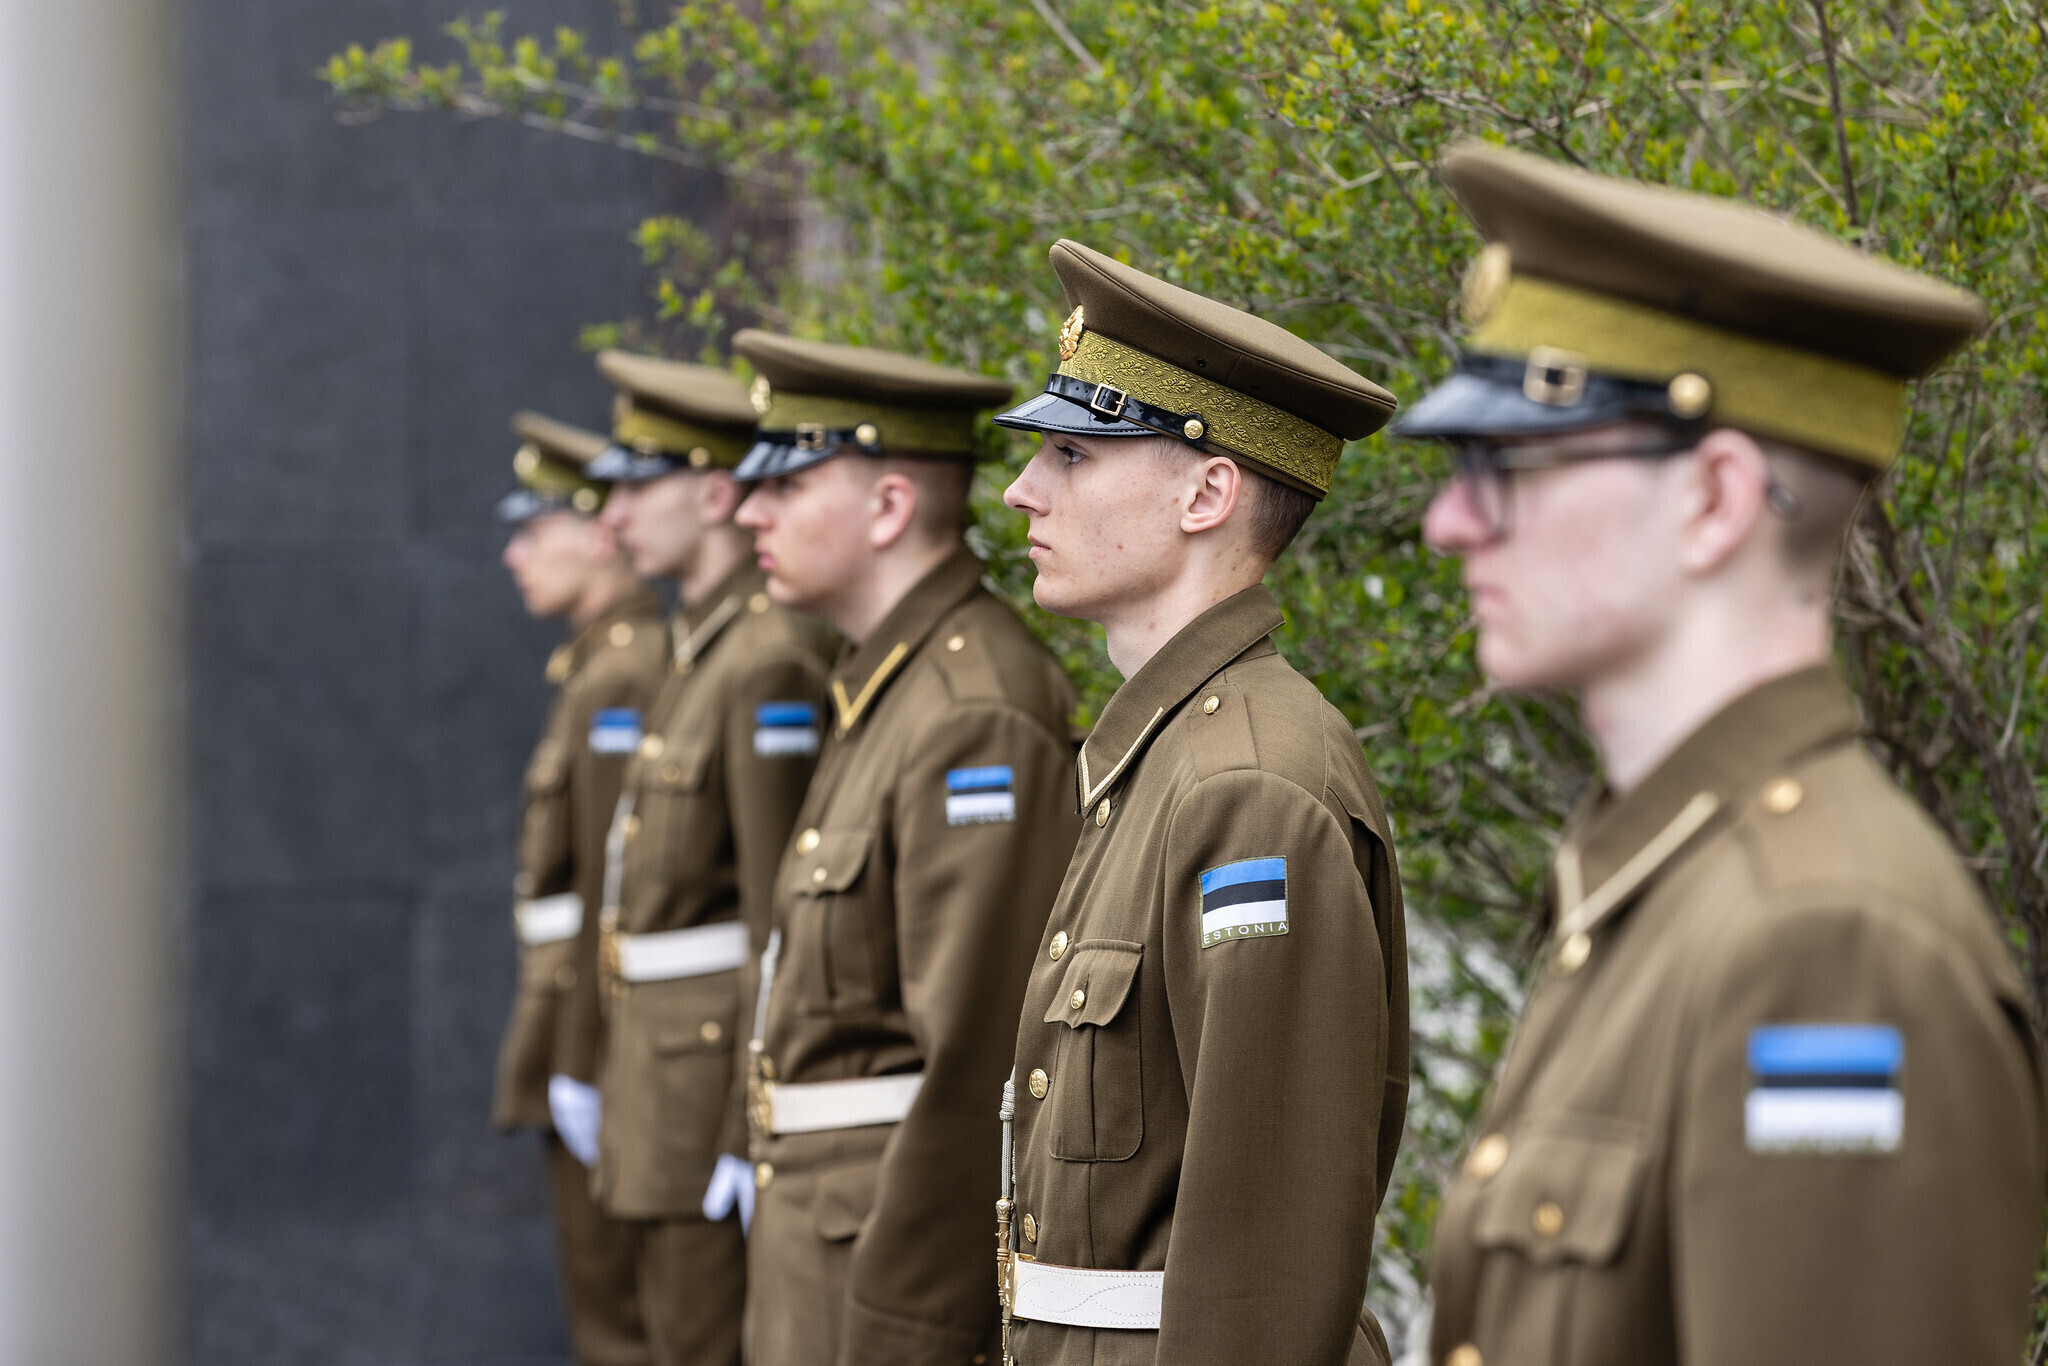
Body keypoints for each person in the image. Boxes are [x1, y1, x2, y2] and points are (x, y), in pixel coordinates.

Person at [1399, 142, 2047, 1366]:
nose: (1447, 522)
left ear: (1712, 501)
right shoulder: (1666, 879)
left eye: (1503, 465)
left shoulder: (1825, 944)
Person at [991, 239, 1411, 1366]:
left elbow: (1269, 1265)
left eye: (1071, 455)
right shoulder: (1168, 756)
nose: (1022, 489)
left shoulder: (1248, 789)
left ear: (1206, 492)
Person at [729, 329, 1081, 1366]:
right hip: (824, 1243)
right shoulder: (886, 684)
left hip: (882, 1276)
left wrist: (915, 1327)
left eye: (786, 484)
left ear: (887, 507)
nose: (749, 511)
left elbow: (975, 1064)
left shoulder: (969, 710)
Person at [580, 350, 836, 1366]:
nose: (614, 518)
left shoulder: (768, 657)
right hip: (658, 1072)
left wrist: (743, 1121)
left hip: (706, 1083)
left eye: (638, 487)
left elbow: (778, 914)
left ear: (715, 494)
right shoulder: (700, 648)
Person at [491, 410, 665, 1366]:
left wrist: (582, 1052)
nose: (515, 555)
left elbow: (613, 886)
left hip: (598, 1026)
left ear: (600, 534)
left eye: (536, 528)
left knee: (621, 1320)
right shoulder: (600, 664)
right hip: (578, 1016)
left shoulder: (624, 674)